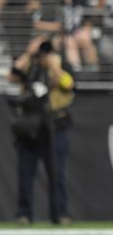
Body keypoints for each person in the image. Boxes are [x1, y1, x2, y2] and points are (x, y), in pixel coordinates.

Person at [8, 37, 74, 225]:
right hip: (31, 126)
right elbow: (12, 76)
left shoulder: (61, 64)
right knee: (26, 173)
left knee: (57, 173)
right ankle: (24, 213)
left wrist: (54, 66)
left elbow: (69, 85)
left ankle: (59, 213)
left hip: (55, 125)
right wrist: (29, 53)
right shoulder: (31, 65)